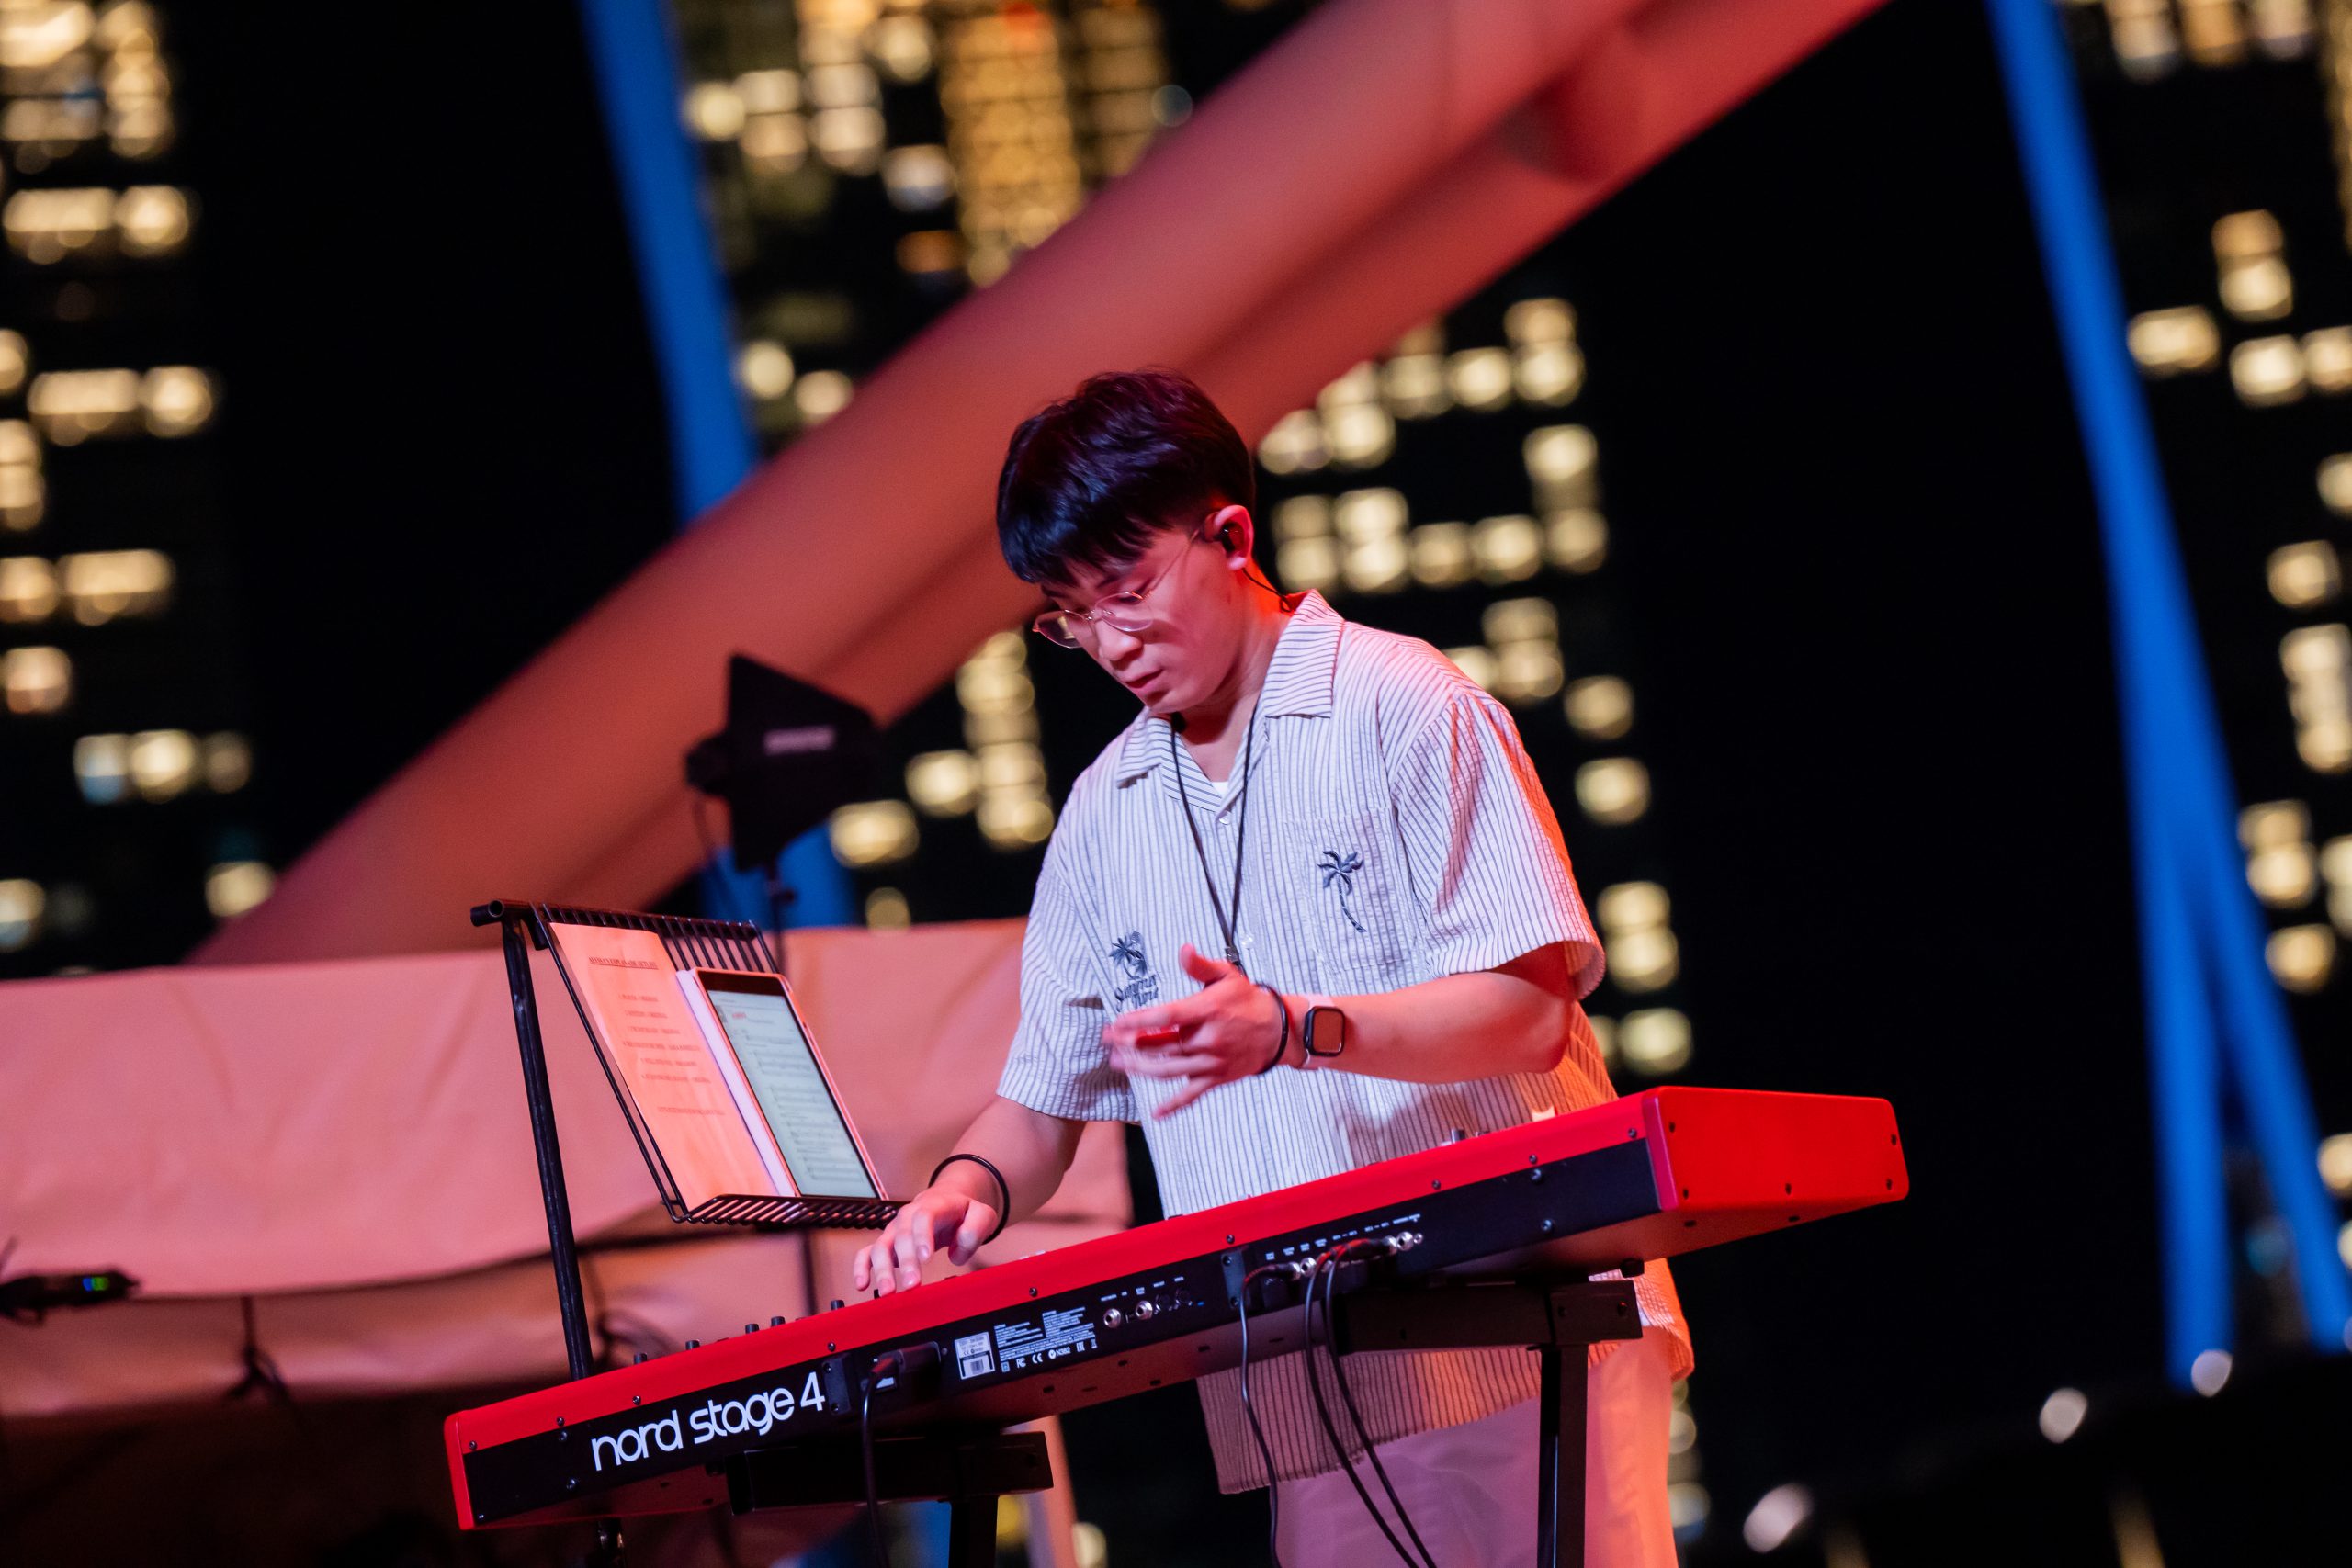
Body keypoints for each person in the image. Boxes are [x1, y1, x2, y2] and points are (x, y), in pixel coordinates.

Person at [851, 368, 1690, 1567]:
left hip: (1529, 1328)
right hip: (1307, 1376)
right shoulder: (1102, 818)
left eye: (1129, 588)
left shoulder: (1402, 702)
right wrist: (961, 1195)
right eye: (1069, 612)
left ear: (1230, 533)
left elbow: (1527, 1012)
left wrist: (1296, 1028)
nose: (1106, 639)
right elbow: (1041, 1108)